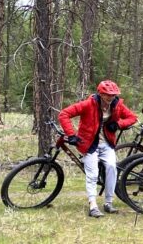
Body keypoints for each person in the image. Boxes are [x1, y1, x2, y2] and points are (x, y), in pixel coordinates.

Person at [58, 80, 138, 218]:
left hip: (106, 143)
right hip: (89, 144)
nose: (110, 97)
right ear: (100, 94)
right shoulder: (88, 104)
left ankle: (108, 203)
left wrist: (119, 124)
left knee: (112, 167)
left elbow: (132, 117)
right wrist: (71, 135)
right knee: (93, 174)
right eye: (107, 95)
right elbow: (64, 114)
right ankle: (93, 205)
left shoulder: (117, 105)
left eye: (113, 95)